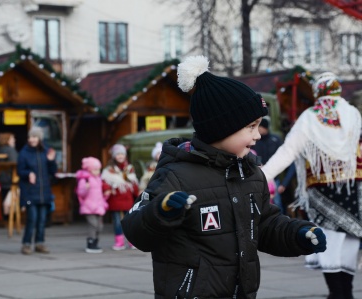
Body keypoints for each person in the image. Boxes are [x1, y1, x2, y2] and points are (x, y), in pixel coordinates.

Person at [121, 55, 327, 299]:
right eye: (251, 126)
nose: (258, 135)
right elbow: (136, 230)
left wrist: (298, 234)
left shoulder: (251, 174)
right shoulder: (176, 174)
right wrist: (161, 211)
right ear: (221, 127)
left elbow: (264, 225)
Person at [262, 71, 361, 299]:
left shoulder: (310, 117)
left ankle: (336, 294)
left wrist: (260, 176)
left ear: (318, 92)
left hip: (322, 192)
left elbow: (287, 153)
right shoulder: (352, 114)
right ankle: (345, 293)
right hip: (354, 191)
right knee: (348, 245)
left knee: (327, 245)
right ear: (337, 89)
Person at [17, 127, 57, 255]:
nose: (32, 139)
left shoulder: (46, 152)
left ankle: (40, 243)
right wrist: (28, 173)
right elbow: (20, 171)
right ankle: (26, 244)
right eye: (30, 137)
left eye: (34, 137)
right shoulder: (24, 153)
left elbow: (53, 171)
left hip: (44, 191)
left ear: (40, 138)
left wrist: (51, 161)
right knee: (32, 219)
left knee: (42, 220)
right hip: (30, 191)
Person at [252, 116, 295, 214]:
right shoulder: (255, 141)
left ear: (265, 127)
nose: (257, 129)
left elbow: (288, 160)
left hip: (275, 181)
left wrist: (284, 184)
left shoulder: (276, 140)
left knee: (277, 205)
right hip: (260, 180)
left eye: (259, 126)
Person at [101, 143, 139, 250]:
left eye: (122, 154)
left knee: (130, 222)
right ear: (114, 156)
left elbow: (134, 183)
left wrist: (138, 193)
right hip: (116, 200)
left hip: (128, 200)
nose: (120, 156)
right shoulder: (109, 170)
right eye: (118, 154)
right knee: (117, 222)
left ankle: (132, 241)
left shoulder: (130, 169)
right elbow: (104, 181)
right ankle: (119, 242)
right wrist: (107, 189)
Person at [75, 157, 111, 253]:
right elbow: (80, 193)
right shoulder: (85, 180)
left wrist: (105, 194)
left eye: (99, 169)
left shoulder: (98, 179)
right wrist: (85, 188)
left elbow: (99, 193)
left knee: (99, 226)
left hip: (98, 205)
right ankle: (90, 243)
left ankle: (96, 242)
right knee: (93, 225)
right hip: (88, 206)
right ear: (89, 169)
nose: (97, 171)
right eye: (95, 169)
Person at [0, 132, 18, 219]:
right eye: (12, 139)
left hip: (2, 179)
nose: (14, 140)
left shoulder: (0, 150)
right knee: (11, 200)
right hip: (10, 178)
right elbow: (15, 163)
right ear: (7, 140)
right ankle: (11, 218)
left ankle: (5, 217)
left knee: (4, 198)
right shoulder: (10, 150)